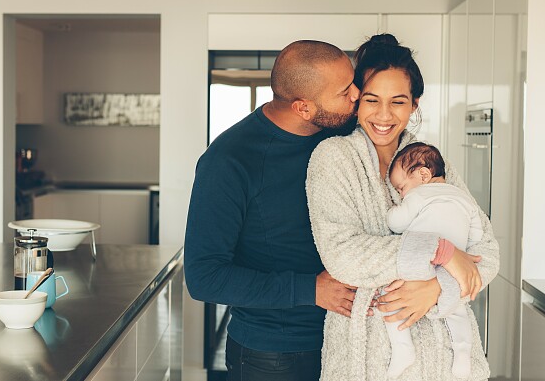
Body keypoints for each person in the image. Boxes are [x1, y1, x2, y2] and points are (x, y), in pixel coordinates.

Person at [306, 34, 499, 381]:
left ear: (414, 104)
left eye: (397, 101)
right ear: (356, 102)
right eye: (371, 100)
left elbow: (486, 252)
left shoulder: (431, 161)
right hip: (366, 359)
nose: (383, 114)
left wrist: (439, 287)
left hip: (446, 361)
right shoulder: (332, 159)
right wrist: (444, 253)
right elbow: (343, 255)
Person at [184, 40, 363, 381]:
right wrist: (311, 289)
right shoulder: (227, 161)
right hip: (274, 357)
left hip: (348, 342)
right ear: (303, 108)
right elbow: (203, 277)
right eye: (345, 91)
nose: (357, 94)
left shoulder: (338, 136)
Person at [385, 142, 484, 380]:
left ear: (423, 174)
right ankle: (462, 353)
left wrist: (392, 210)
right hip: (452, 269)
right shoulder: (464, 197)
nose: (401, 193)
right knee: (457, 310)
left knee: (390, 296)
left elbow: (396, 223)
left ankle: (402, 348)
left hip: (422, 259)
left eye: (401, 187)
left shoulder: (418, 195)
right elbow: (478, 235)